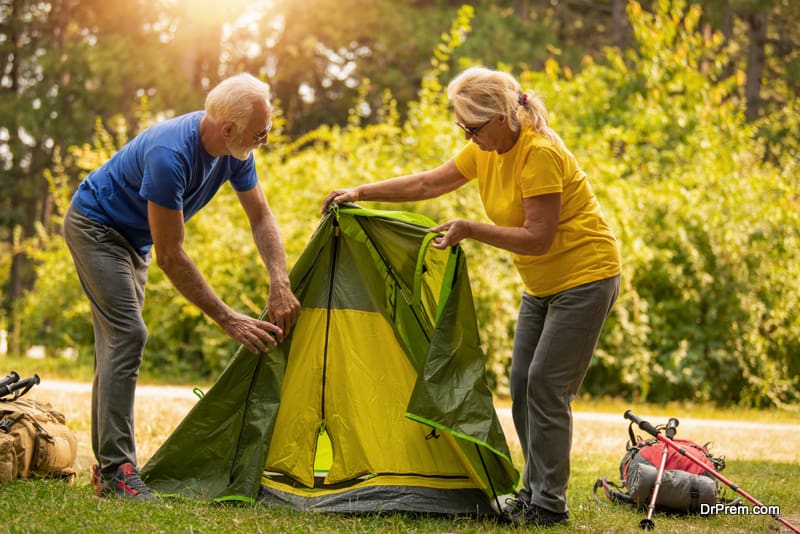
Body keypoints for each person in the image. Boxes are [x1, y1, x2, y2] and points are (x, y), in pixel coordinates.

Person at [322, 66, 620, 527]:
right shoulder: (486, 150)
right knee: (522, 384)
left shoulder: (538, 154)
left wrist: (469, 229)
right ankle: (531, 493)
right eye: (462, 128)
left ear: (501, 116)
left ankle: (549, 505)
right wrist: (361, 192)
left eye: (473, 128)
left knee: (545, 384)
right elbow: (427, 184)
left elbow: (537, 238)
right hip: (541, 285)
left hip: (585, 278)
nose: (468, 136)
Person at [64, 73, 300, 501]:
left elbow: (261, 215)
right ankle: (119, 473)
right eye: (260, 131)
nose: (266, 138)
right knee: (128, 335)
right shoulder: (169, 155)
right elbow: (171, 255)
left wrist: (278, 280)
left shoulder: (234, 150)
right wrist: (228, 319)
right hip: (96, 229)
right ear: (228, 128)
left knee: (116, 343)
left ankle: (109, 468)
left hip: (133, 240)